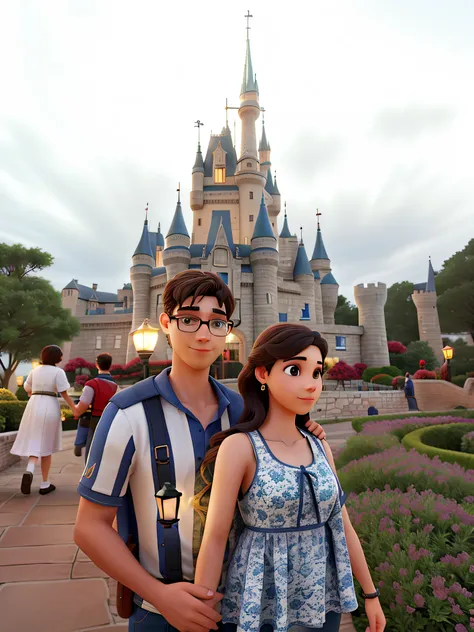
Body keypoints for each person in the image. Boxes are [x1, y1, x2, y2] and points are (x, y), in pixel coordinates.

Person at [74, 270, 327, 632]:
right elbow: (89, 527)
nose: (204, 334)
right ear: (166, 322)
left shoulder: (243, 413)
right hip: (159, 612)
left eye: (217, 322)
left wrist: (306, 431)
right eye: (190, 320)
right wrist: (160, 596)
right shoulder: (129, 413)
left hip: (247, 607)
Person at [195, 324, 386, 632]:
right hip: (260, 600)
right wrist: (201, 612)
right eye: (295, 370)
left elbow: (341, 522)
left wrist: (371, 593)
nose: (311, 384)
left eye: (316, 372)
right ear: (262, 373)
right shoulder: (240, 447)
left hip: (322, 598)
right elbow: (216, 537)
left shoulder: (319, 444)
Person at [11, 345, 77, 496]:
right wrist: (74, 408)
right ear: (57, 357)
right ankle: (44, 483)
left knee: (35, 441)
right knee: (46, 445)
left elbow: (27, 388)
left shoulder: (35, 371)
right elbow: (64, 393)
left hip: (33, 405)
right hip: (49, 405)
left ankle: (29, 470)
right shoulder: (58, 372)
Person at [73, 353, 118, 461]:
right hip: (111, 421)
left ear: (97, 364)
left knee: (91, 455)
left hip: (94, 421)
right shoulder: (116, 386)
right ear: (110, 365)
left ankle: (79, 443)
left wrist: (75, 409)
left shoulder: (92, 384)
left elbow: (82, 407)